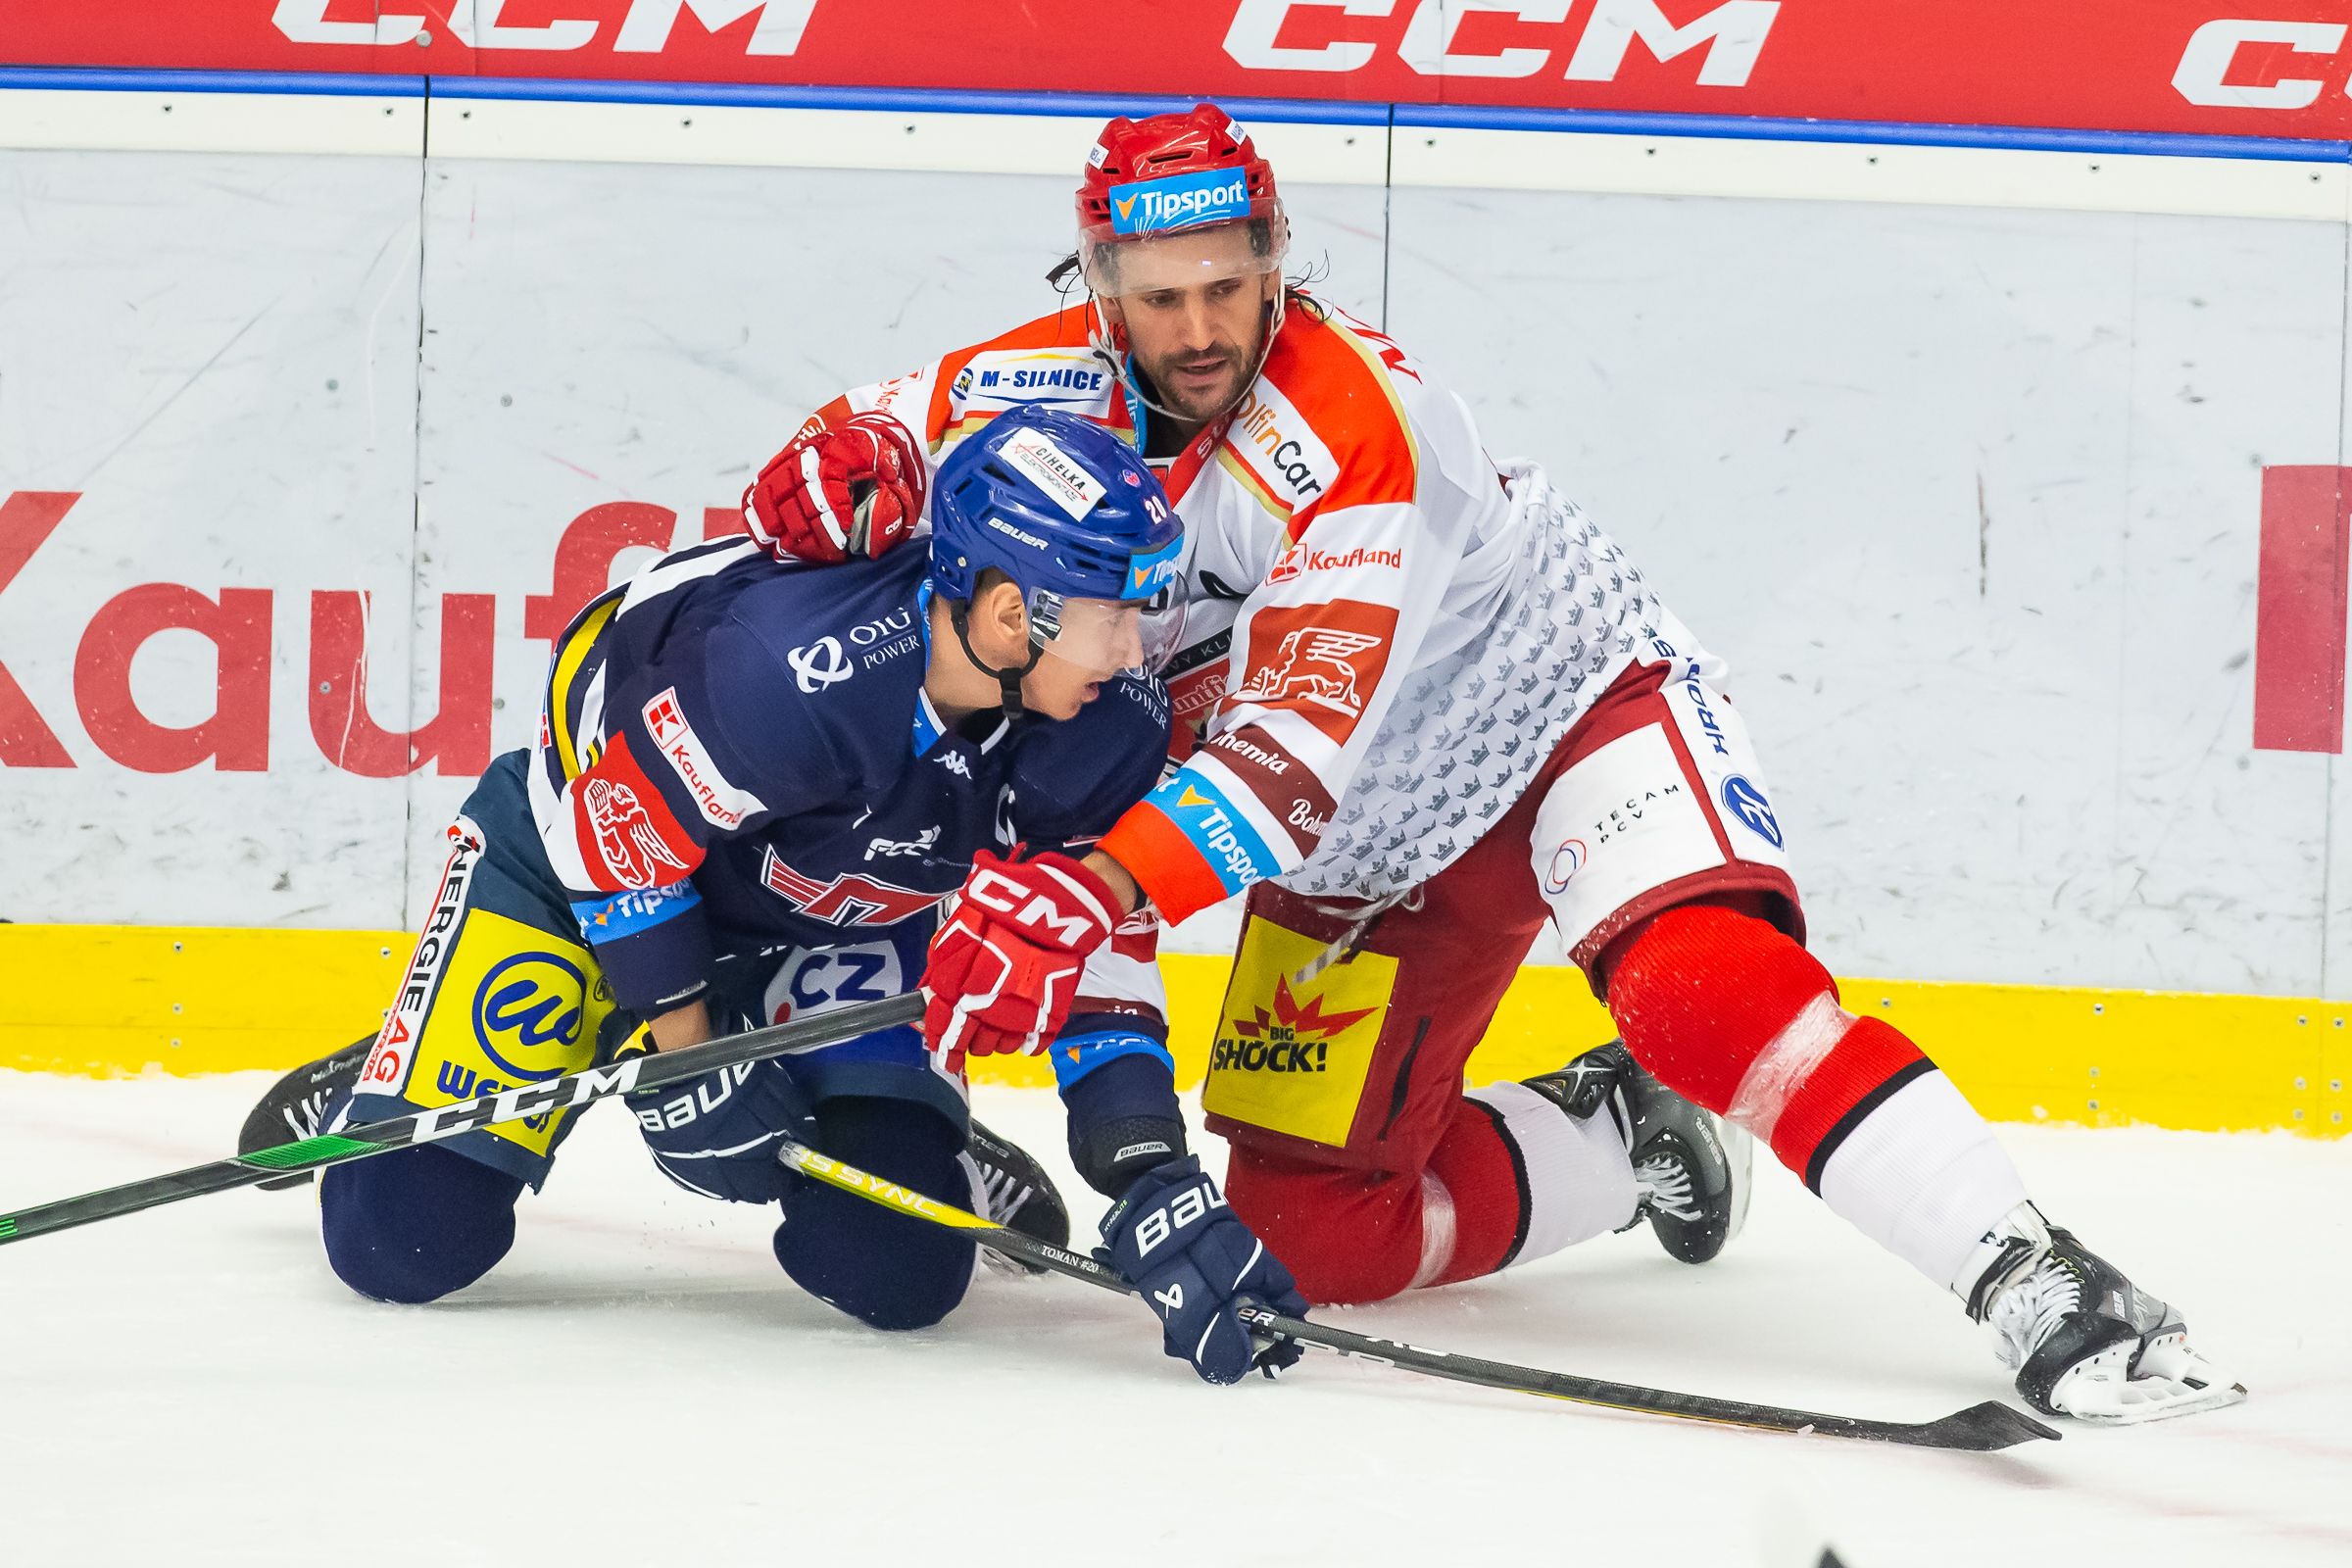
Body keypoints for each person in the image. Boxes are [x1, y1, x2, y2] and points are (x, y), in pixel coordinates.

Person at [743, 105, 2241, 1423]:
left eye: (1228, 286)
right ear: (1099, 285)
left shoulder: (1360, 433)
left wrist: (1092, 891)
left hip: (1560, 714)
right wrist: (815, 484)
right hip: (1375, 848)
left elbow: (1277, 769)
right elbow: (850, 452)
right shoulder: (1021, 392)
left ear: (1276, 264)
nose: (1198, 329)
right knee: (1315, 1232)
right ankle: (1619, 1132)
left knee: (1696, 986)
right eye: (1160, 295)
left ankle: (2034, 1276)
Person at [242, 407, 1307, 1382]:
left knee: (900, 1272)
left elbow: (1085, 943)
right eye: (1112, 613)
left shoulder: (1105, 720)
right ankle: (409, 1060)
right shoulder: (789, 672)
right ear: (1004, 613)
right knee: (400, 1238)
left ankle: (924, 1134)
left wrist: (1148, 1170)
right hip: (581, 868)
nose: (1136, 649)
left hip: (832, 920)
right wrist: (687, 1049)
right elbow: (619, 838)